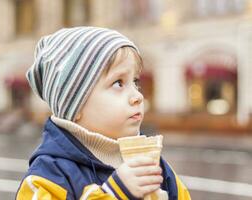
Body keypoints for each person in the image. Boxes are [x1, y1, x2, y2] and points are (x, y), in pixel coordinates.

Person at [16, 26, 191, 200]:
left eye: (135, 82)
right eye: (118, 83)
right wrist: (114, 194)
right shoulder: (47, 177)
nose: (137, 96)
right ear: (75, 105)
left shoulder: (154, 165)